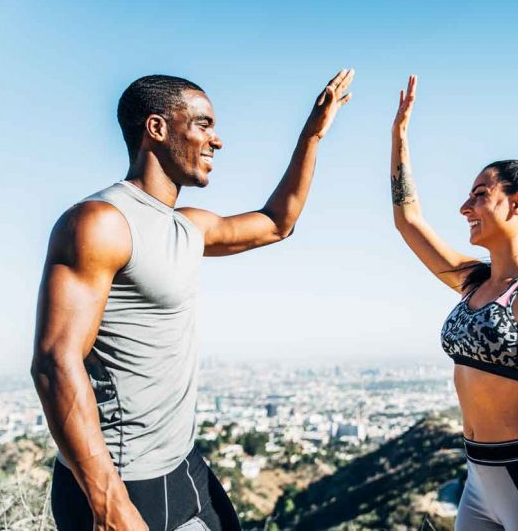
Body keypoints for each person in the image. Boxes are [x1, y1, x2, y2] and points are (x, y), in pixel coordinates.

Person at [31, 69, 354, 530]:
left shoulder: (187, 226)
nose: (216, 140)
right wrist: (107, 503)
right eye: (202, 124)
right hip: (121, 482)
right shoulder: (100, 222)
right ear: (157, 128)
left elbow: (277, 222)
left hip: (182, 463)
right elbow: (54, 361)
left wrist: (313, 134)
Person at [390, 75, 518, 531]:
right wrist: (400, 139)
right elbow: (408, 220)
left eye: (480, 195)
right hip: (477, 477)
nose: (465, 207)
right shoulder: (472, 281)